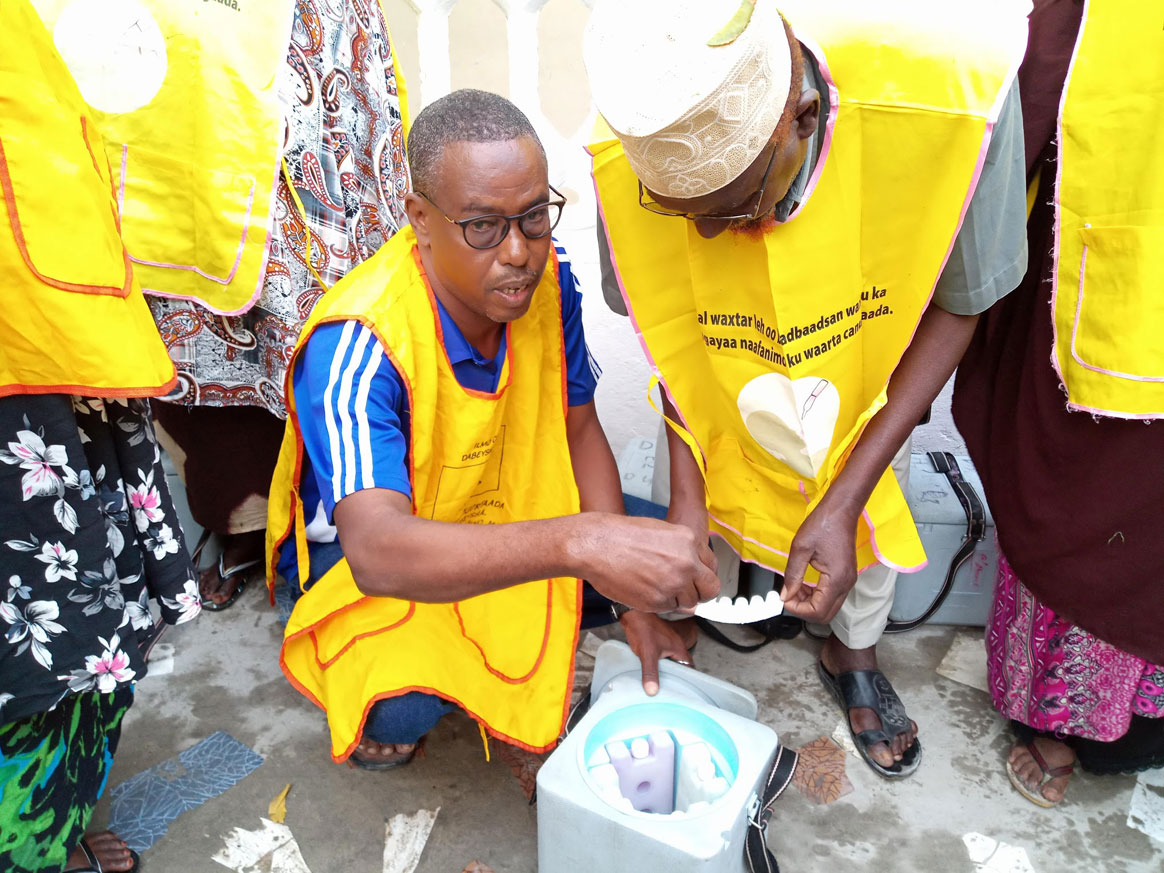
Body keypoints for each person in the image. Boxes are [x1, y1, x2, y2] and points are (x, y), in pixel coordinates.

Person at [584, 0, 1029, 778]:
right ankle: (705, 615)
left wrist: (845, 497)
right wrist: (687, 507)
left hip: (866, 350)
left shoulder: (957, 93)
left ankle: (851, 649)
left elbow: (963, 305)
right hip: (720, 361)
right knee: (699, 538)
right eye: (692, 221)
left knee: (858, 506)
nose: (720, 241)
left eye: (738, 207)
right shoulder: (638, 124)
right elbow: (674, 339)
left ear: (803, 117)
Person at [265, 90, 719, 769]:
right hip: (375, 562)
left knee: (677, 563)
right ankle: (375, 683)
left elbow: (579, 427)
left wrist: (634, 602)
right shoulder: (358, 343)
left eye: (534, 216)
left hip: (508, 511)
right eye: (482, 226)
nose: (518, 252)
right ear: (420, 218)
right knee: (403, 707)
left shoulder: (548, 284)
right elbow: (380, 551)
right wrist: (580, 542)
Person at [35, 0, 414, 610]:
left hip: (282, 80)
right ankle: (237, 524)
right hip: (153, 85)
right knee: (186, 346)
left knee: (303, 331)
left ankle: (315, 525)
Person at [0, 2, 201, 870]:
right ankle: (29, 846)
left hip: (54, 345)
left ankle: (49, 823)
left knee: (93, 621)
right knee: (37, 650)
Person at [952, 0, 1164, 807]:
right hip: (1110, 252)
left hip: (1107, 260)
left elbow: (1033, 91)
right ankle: (1097, 721)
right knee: (1089, 497)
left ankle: (1067, 729)